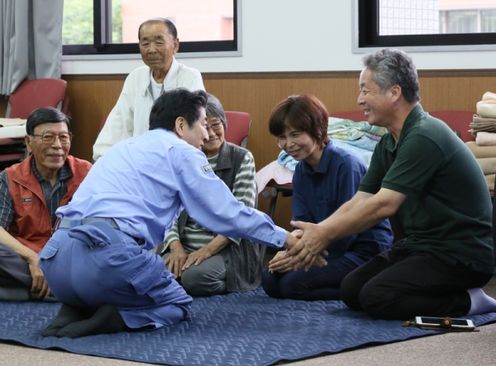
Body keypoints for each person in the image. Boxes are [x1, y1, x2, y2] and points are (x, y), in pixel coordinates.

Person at [39, 88, 319, 339]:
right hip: (105, 261)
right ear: (181, 125)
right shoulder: (182, 151)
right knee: (176, 304)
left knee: (123, 273)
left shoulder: (122, 148)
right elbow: (227, 213)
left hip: (55, 260)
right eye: (202, 125)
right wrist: (284, 238)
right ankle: (114, 318)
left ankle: (76, 308)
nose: (207, 134)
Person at [282, 48, 496, 320]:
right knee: (351, 289)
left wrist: (324, 235)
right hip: (419, 246)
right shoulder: (389, 141)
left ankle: (468, 300)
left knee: (377, 297)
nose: (360, 100)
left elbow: (384, 204)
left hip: (460, 255)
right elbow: (361, 199)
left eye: (365, 91)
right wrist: (319, 232)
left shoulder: (424, 135)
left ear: (394, 93)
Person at [261, 95, 393, 301]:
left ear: (318, 130)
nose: (288, 144)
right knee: (269, 280)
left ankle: (363, 287)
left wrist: (302, 257)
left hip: (361, 250)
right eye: (281, 137)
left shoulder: (346, 165)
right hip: (324, 248)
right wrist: (290, 252)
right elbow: (301, 224)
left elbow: (348, 230)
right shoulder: (301, 171)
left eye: (295, 134)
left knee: (291, 284)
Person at [161, 93, 264, 296]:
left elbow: (241, 218)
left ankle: (231, 279)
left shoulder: (242, 158)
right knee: (147, 272)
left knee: (193, 278)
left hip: (226, 246)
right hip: (185, 243)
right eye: (203, 126)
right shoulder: (181, 158)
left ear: (225, 123)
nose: (210, 133)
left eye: (216, 124)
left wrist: (206, 251)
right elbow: (167, 212)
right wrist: (175, 247)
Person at [0, 107, 91, 301]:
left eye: (63, 137)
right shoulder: (10, 177)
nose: (57, 145)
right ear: (28, 142)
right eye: (47, 137)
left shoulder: (87, 173)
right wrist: (33, 258)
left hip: (72, 257)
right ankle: (64, 290)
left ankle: (26, 292)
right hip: (26, 256)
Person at [92, 17, 205, 161]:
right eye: (145, 43)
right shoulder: (135, 77)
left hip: (174, 161)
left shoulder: (189, 77)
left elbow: (190, 132)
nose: (151, 50)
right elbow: (119, 124)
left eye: (159, 42)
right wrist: (104, 159)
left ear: (175, 45)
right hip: (138, 161)